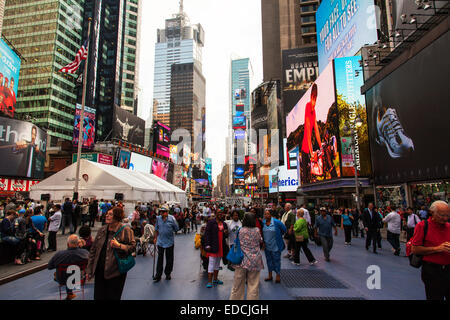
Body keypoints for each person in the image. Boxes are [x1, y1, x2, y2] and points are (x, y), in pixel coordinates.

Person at [86, 207, 136, 300]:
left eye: (110, 214)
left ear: (117, 217)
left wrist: (120, 246)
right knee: (98, 296)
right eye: (107, 214)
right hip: (100, 271)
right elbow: (93, 250)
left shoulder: (126, 230)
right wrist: (89, 269)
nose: (107, 216)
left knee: (113, 297)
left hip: (116, 272)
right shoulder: (102, 230)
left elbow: (133, 247)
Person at [411, 201, 450, 300]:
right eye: (442, 215)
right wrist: (437, 249)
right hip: (432, 271)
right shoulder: (422, 226)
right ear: (432, 212)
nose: (445, 218)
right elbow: (415, 249)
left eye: (447, 215)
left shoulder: (449, 227)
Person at [230, 213, 264, 300]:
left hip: (241, 261)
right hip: (255, 260)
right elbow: (260, 240)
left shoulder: (241, 230)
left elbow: (236, 242)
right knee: (253, 285)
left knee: (237, 285)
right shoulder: (257, 230)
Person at [48, 234, 89, 300]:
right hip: (78, 279)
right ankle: (70, 293)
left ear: (67, 244)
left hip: (62, 279)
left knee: (59, 272)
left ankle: (70, 293)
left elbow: (49, 266)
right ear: (79, 243)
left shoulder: (59, 255)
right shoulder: (85, 253)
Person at [300, 83, 321, 185]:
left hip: (310, 147)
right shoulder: (308, 106)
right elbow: (308, 131)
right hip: (305, 149)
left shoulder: (314, 110)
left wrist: (321, 147)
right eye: (313, 96)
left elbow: (316, 130)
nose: (314, 100)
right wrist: (311, 151)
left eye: (315, 97)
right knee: (306, 179)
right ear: (311, 96)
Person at [153, 204, 179, 282]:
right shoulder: (158, 219)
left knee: (169, 259)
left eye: (164, 211)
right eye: (161, 211)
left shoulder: (172, 219)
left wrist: (172, 230)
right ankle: (158, 275)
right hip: (160, 241)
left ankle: (168, 273)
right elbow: (156, 229)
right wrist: (155, 238)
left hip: (169, 242)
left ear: (167, 212)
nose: (162, 213)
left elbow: (176, 228)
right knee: (160, 259)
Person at [204, 210, 229, 288]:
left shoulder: (224, 224)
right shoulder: (211, 222)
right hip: (212, 245)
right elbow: (207, 234)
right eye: (218, 213)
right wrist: (207, 244)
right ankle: (209, 281)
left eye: (221, 213)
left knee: (217, 263)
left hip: (220, 246)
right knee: (211, 263)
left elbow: (226, 236)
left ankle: (215, 279)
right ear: (216, 214)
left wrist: (226, 233)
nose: (220, 214)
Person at [262, 209, 286, 283]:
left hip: (275, 245)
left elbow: (284, 229)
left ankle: (278, 275)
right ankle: (270, 275)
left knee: (276, 260)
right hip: (267, 246)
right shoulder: (263, 222)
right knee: (269, 261)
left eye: (268, 214)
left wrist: (278, 235)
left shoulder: (277, 222)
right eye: (265, 214)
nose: (266, 215)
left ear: (271, 215)